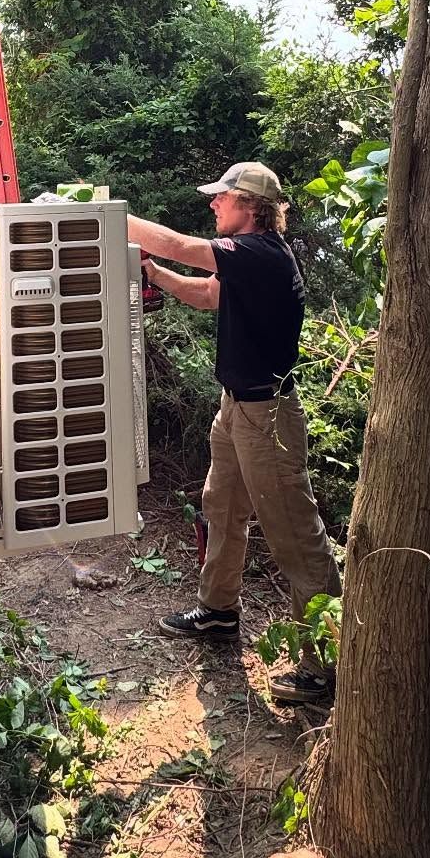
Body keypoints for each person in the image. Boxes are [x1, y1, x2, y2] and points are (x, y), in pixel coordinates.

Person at [126, 162, 342, 706]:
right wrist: (153, 275)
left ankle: (326, 666)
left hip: (266, 417)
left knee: (295, 534)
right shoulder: (250, 262)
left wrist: (108, 220)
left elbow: (180, 244)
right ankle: (219, 612)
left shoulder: (261, 253)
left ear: (250, 205)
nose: (214, 205)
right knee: (221, 505)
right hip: (238, 407)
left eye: (222, 198)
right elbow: (205, 295)